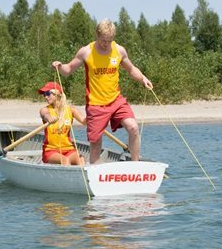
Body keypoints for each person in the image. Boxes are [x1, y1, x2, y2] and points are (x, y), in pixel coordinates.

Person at [51, 18, 153, 164]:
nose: (106, 44)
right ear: (97, 36)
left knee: (133, 128)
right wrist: (60, 66)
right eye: (103, 40)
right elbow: (68, 70)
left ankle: (134, 166)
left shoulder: (119, 50)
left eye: (109, 40)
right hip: (96, 104)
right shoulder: (86, 52)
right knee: (95, 143)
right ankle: (95, 172)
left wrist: (143, 78)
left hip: (116, 101)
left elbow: (131, 69)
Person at [38, 81, 86, 166]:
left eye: (48, 93)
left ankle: (81, 178)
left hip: (69, 149)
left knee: (81, 159)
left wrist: (94, 118)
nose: (45, 96)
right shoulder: (45, 110)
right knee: (65, 160)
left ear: (57, 93)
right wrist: (49, 118)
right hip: (50, 150)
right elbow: (44, 114)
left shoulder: (71, 110)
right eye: (44, 94)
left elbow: (84, 121)